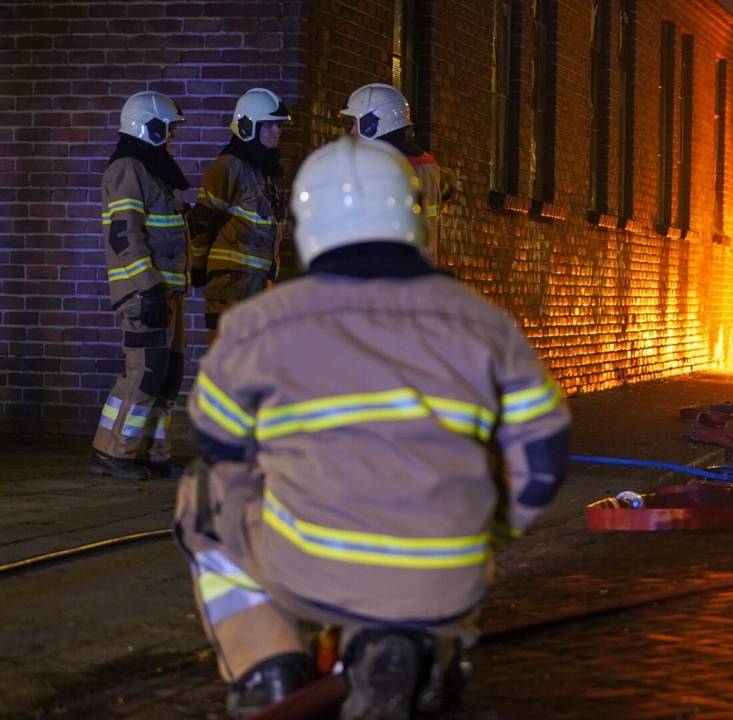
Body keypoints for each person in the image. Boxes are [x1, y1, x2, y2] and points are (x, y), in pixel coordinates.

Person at [173, 136, 571, 719]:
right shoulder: (483, 322)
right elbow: (544, 455)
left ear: (310, 225)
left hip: (312, 565)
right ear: (408, 217)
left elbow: (218, 444)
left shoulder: (258, 323)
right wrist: (486, 530)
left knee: (203, 493)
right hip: (449, 575)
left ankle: (268, 667)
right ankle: (403, 647)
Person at [92, 91, 191, 480]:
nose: (172, 138)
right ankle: (114, 451)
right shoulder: (128, 169)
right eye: (167, 130)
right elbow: (125, 235)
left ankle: (152, 451)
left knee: (168, 374)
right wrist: (148, 287)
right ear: (147, 128)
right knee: (144, 371)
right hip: (143, 293)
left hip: (165, 291)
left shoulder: (151, 172)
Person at [188, 88, 291, 346]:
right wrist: (197, 268)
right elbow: (201, 222)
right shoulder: (228, 167)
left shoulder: (261, 173)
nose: (276, 131)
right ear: (248, 126)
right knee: (229, 368)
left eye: (278, 126)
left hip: (255, 288)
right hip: (230, 289)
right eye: (269, 125)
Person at [339, 83, 457, 263]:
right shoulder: (426, 165)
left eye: (356, 123)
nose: (352, 131)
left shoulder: (386, 171)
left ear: (374, 124)